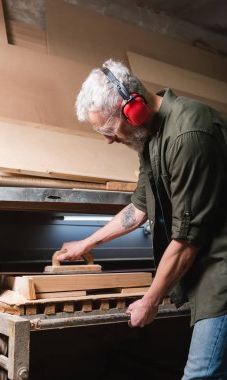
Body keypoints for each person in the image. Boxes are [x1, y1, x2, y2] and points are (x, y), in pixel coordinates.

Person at [57, 59, 227, 379]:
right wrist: (86, 242)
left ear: (133, 109)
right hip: (209, 264)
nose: (108, 140)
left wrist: (151, 299)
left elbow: (187, 238)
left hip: (221, 267)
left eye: (109, 131)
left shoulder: (188, 134)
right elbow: (139, 208)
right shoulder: (150, 138)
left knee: (201, 374)